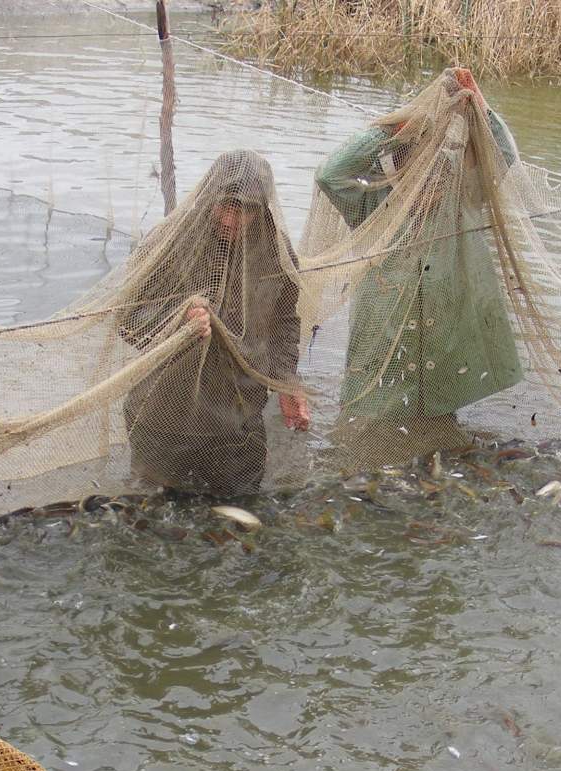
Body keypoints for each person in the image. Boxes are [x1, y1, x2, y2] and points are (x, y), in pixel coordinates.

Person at [313, 67, 523, 457]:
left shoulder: (463, 201)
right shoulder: (373, 207)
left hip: (440, 339)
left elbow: (504, 155)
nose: (429, 185)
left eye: (436, 175)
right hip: (381, 338)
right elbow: (330, 174)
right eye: (417, 175)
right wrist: (394, 129)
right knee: (367, 425)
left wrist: (479, 104)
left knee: (435, 422)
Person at [118, 150, 309, 497]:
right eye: (225, 206)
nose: (231, 220)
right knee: (150, 511)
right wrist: (179, 320)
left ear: (261, 210)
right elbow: (128, 319)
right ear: (209, 196)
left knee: (242, 509)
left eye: (245, 210)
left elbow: (284, 323)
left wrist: (287, 382)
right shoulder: (170, 242)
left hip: (237, 417)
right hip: (164, 413)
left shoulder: (275, 253)